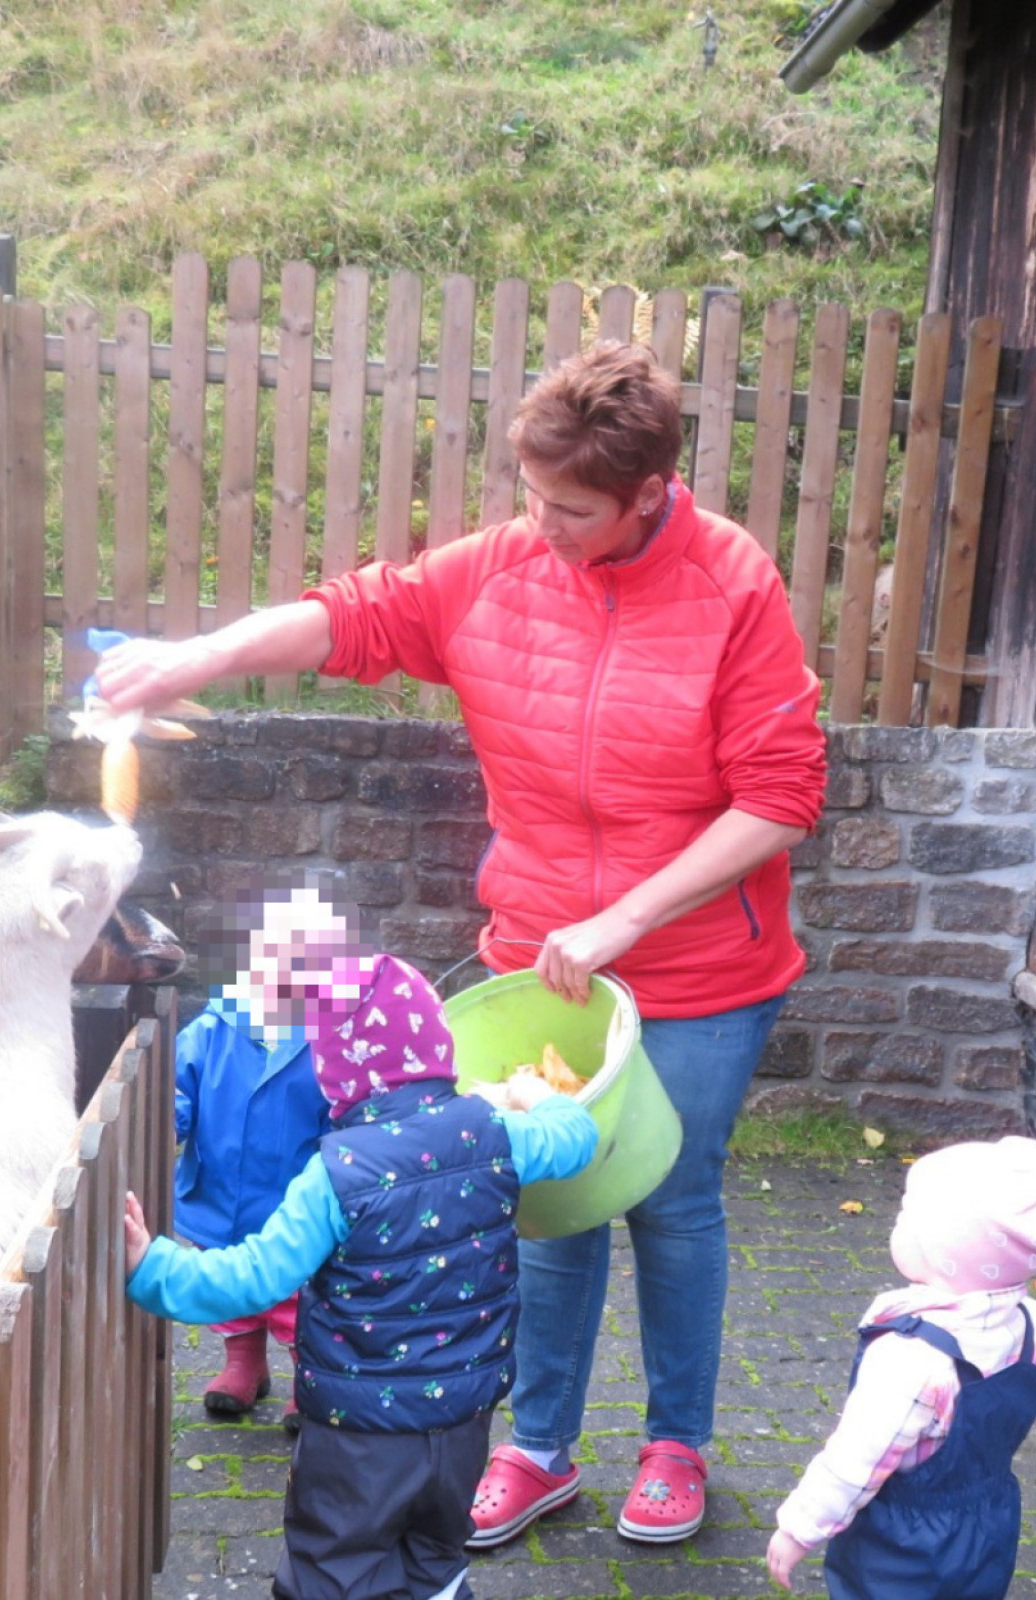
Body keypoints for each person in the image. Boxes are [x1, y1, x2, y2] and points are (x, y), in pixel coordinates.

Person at [94, 341, 827, 1545]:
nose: (541, 525)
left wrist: (625, 919)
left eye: (572, 510)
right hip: (539, 962)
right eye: (531, 496)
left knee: (670, 1197)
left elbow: (781, 796)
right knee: (543, 1197)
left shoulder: (732, 584)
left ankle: (674, 1443)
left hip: (700, 970)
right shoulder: (500, 569)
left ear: (648, 493)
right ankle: (537, 1446)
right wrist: (200, 655)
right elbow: (352, 615)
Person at [123, 952, 597, 1600]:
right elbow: (575, 1136)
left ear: (334, 1072)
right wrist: (537, 1094)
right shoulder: (495, 1133)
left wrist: (151, 1266)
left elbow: (252, 1278)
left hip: (360, 1436)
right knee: (436, 1558)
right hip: (464, 1421)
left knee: (333, 1569)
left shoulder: (335, 1173)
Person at [767, 1137, 1036, 1599]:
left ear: (949, 1250)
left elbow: (855, 1459)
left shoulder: (910, 1358)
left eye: (910, 1218)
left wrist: (799, 1528)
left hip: (902, 1544)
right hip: (989, 1524)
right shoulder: (1025, 1322)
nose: (898, 1221)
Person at [173, 874, 347, 1428]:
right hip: (221, 1193)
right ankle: (242, 1362)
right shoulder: (210, 1029)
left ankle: (306, 1374)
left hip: (296, 1198)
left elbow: (345, 1108)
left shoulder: (330, 1037)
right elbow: (177, 1088)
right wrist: (170, 1115)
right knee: (229, 1289)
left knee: (298, 1295)